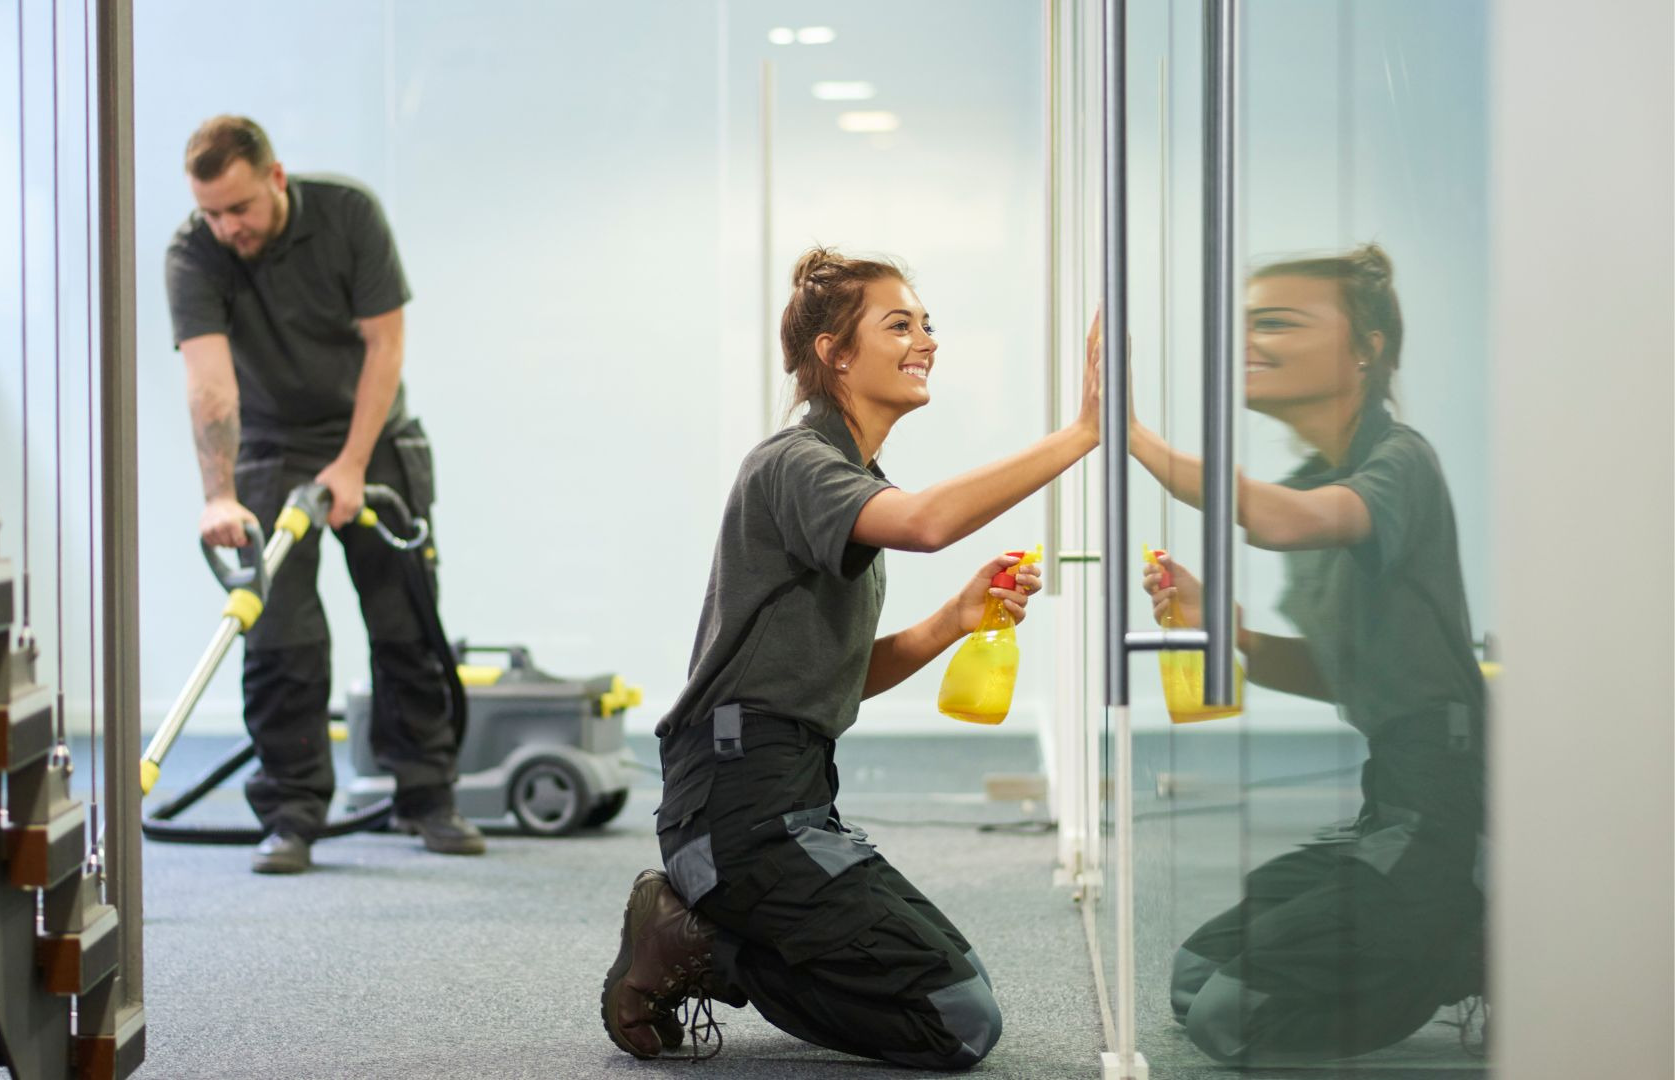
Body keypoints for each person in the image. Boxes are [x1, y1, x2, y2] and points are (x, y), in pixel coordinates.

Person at [600, 248, 1101, 1066]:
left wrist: (952, 620)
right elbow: (928, 522)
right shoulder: (797, 462)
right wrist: (1084, 432)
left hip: (792, 798)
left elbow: (827, 679)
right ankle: (698, 937)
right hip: (735, 809)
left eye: (927, 323)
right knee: (957, 1022)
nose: (925, 339)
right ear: (834, 353)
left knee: (957, 987)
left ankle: (714, 927)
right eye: (898, 324)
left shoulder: (847, 473)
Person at [1131, 244, 1487, 1064]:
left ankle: (1465, 935)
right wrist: (1237, 636)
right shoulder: (1319, 473)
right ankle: (1445, 933)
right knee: (1198, 976)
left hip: (1443, 808)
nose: (1249, 341)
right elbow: (1346, 674)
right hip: (1386, 801)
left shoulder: (1401, 462)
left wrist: (1131, 438)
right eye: (1247, 323)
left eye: (1279, 323)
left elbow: (1283, 519)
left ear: (1366, 347)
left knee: (1236, 1018)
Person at [163, 115, 482, 875]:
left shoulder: (348, 215)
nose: (225, 226)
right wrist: (219, 494)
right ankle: (293, 813)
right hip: (270, 448)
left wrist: (351, 463)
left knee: (406, 624)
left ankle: (426, 797)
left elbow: (386, 345)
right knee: (280, 641)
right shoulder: (194, 251)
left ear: (275, 178)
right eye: (211, 211)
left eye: (238, 207)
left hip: (372, 438)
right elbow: (209, 383)